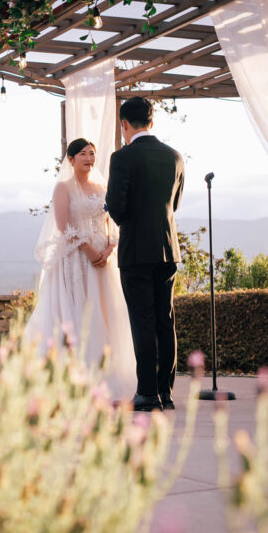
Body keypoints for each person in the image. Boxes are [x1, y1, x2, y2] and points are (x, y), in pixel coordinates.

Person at [25, 138, 136, 397]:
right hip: (76, 258)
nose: (89, 158)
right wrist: (88, 250)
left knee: (105, 312)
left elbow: (111, 222)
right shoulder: (63, 188)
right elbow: (64, 226)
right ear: (71, 159)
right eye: (83, 154)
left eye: (92, 154)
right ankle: (74, 373)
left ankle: (105, 371)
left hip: (102, 261)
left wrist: (109, 249)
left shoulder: (101, 186)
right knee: (77, 312)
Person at [105, 96, 185, 412]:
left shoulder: (121, 158)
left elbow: (118, 209)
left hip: (136, 251)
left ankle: (147, 393)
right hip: (168, 249)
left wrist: (116, 211)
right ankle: (166, 391)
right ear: (152, 122)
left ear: (124, 125)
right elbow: (174, 204)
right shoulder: (175, 157)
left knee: (143, 321)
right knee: (165, 321)